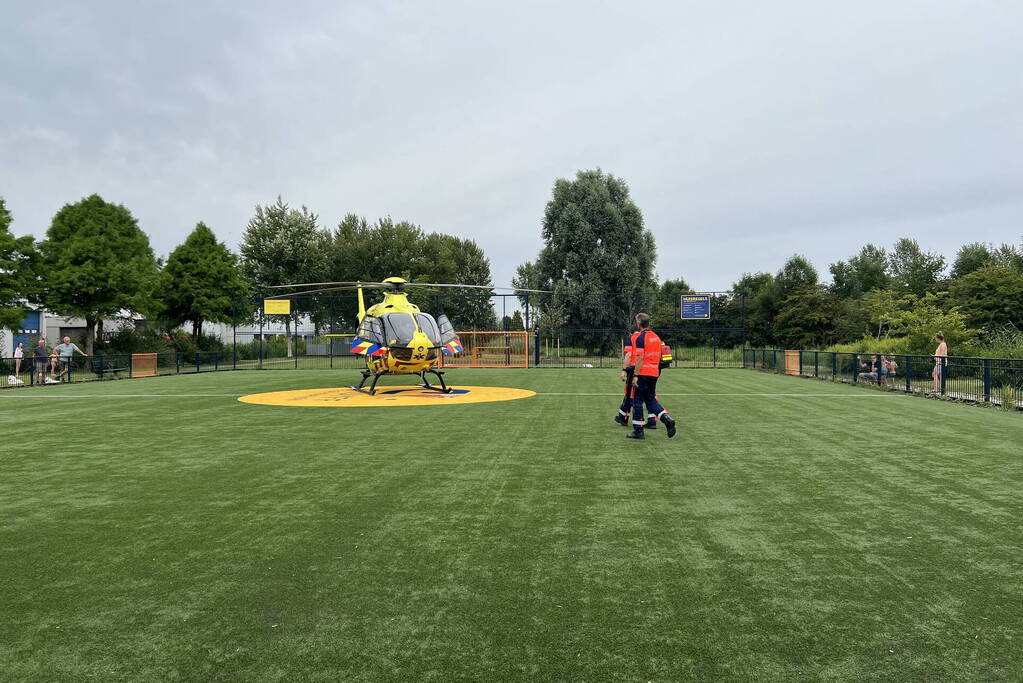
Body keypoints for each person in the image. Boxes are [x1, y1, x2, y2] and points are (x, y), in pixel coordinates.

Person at [627, 313, 677, 440]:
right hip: (654, 373)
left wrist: (635, 375)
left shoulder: (640, 338)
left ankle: (638, 430)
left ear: (639, 323)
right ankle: (667, 419)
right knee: (651, 400)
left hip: (643, 373)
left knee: (637, 400)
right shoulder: (656, 337)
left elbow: (639, 357)